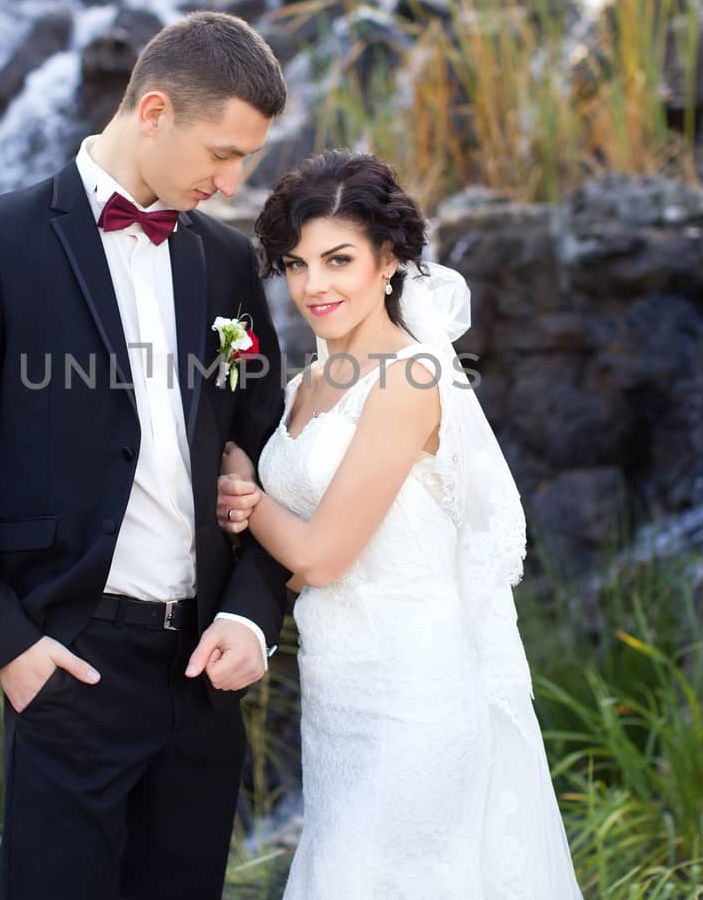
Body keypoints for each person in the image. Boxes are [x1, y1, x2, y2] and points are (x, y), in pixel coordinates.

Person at [0, 11, 292, 899]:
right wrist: (9, 646)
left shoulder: (228, 263)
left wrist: (254, 614)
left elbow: (269, 446)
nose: (232, 184)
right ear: (154, 110)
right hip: (69, 665)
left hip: (204, 675)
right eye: (223, 155)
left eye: (246, 165)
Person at [216, 150, 584, 898]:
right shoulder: (303, 385)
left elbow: (319, 556)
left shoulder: (411, 378)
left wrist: (247, 495)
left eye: (338, 260)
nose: (313, 286)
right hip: (339, 693)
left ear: (388, 260)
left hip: (414, 696)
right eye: (295, 264)